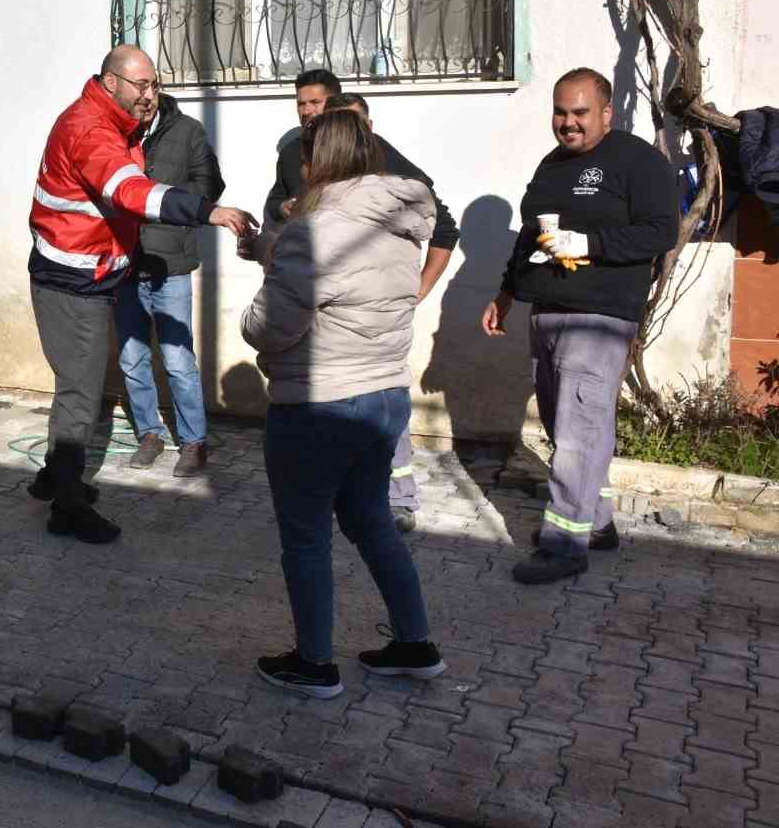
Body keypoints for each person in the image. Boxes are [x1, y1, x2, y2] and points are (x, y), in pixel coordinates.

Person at [241, 108, 445, 699]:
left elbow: (271, 326)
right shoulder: (399, 223)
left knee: (306, 538)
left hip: (318, 406)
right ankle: (414, 644)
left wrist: (256, 299)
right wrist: (273, 253)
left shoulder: (316, 229)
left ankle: (314, 663)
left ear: (315, 162)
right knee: (372, 522)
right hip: (383, 397)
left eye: (301, 160)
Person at [27, 46, 253, 544]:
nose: (151, 95)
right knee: (80, 393)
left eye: (155, 85)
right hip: (71, 282)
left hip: (93, 275)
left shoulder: (113, 121)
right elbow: (132, 191)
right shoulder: (91, 129)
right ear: (111, 83)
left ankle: (53, 478)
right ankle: (66, 506)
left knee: (79, 386)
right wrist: (208, 212)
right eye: (141, 86)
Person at [482, 68, 677, 584]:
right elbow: (531, 236)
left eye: (580, 113)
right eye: (560, 112)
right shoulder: (551, 165)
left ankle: (564, 543)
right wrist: (506, 293)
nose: (568, 123)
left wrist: (589, 245)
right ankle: (597, 523)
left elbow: (662, 231)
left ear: (606, 113)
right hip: (546, 310)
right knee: (565, 425)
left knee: (577, 430)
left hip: (600, 315)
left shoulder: (638, 162)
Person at [262, 79, 461, 533]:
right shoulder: (294, 155)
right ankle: (364, 508)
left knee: (315, 534)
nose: (308, 113)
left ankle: (399, 498)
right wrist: (279, 221)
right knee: (368, 528)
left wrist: (418, 290)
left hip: (361, 361)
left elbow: (444, 228)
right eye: (303, 105)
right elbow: (276, 209)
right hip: (332, 350)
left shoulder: (393, 179)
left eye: (317, 106)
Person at [116, 91, 226, 476]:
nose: (141, 102)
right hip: (126, 264)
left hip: (171, 263)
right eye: (135, 96)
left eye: (147, 92)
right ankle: (149, 434)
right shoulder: (115, 132)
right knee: (132, 358)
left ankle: (194, 441)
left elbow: (211, 185)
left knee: (178, 360)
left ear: (156, 92)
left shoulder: (188, 131)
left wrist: (160, 201)